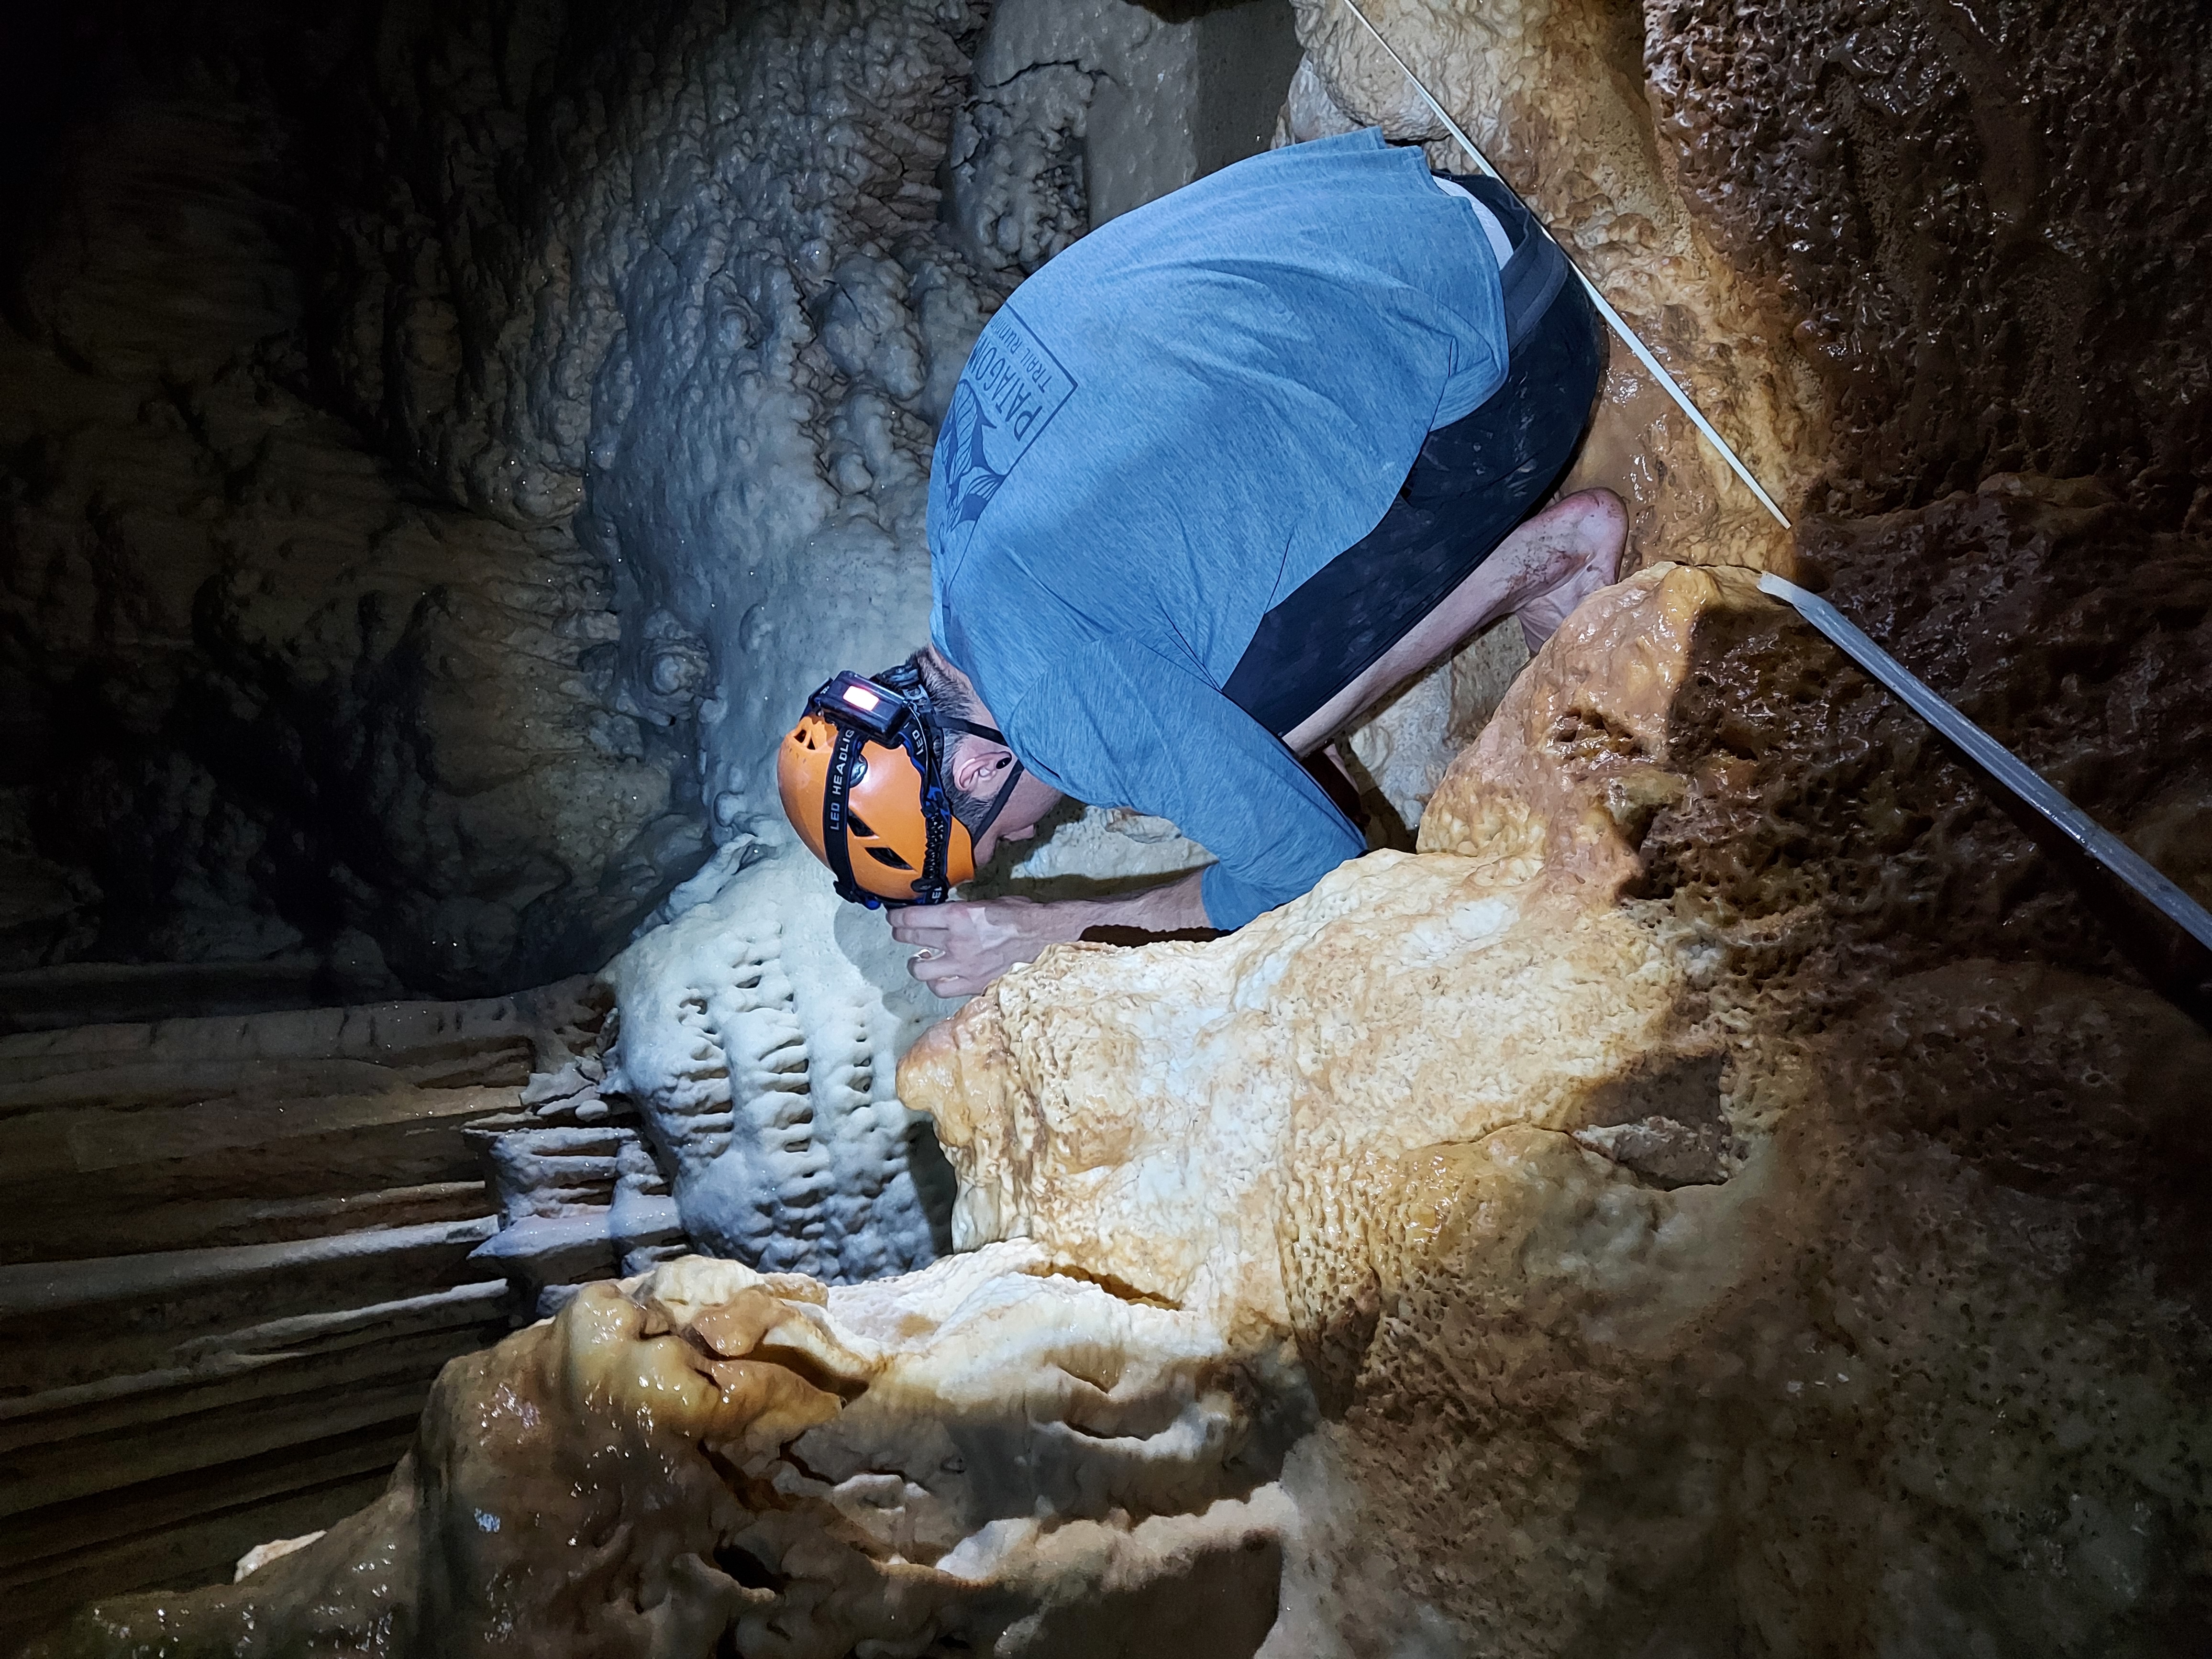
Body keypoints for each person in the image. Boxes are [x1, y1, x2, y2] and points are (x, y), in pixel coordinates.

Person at [777, 127, 1626, 998]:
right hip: (1445, 211)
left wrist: (1047, 930)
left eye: (996, 841)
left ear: (976, 770)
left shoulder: (1060, 702)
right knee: (1184, 703)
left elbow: (1320, 872)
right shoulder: (957, 526)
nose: (1026, 844)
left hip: (1528, 348)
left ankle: (1548, 561)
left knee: (1197, 751)